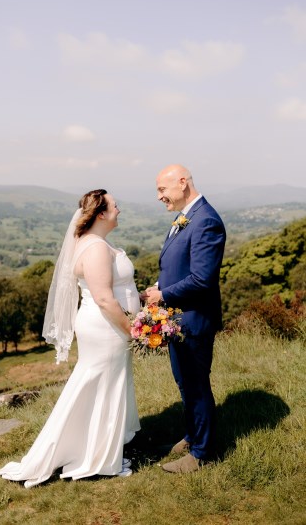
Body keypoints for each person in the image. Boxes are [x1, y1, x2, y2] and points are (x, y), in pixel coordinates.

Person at [0, 189, 141, 487]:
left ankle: (98, 448)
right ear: (101, 213)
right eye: (115, 205)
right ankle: (97, 457)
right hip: (106, 327)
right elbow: (103, 298)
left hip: (103, 326)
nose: (119, 209)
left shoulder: (93, 242)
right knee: (100, 385)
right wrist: (132, 330)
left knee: (100, 385)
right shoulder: (96, 248)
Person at [146, 164, 226, 473]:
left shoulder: (205, 220)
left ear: (183, 182)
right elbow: (178, 266)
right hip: (178, 321)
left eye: (162, 190)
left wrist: (161, 296)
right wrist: (158, 287)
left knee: (196, 384)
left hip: (194, 320)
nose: (159, 196)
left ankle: (202, 454)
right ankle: (193, 437)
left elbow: (202, 279)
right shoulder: (185, 218)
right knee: (185, 384)